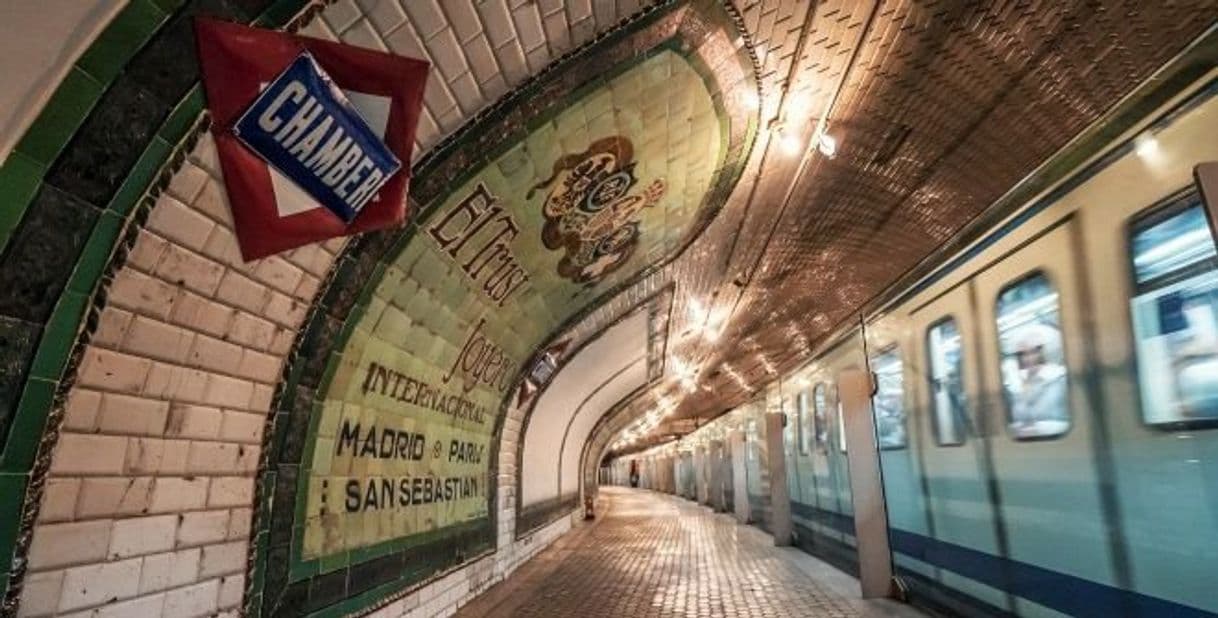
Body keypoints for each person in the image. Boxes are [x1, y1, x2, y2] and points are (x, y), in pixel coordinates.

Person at [1009, 323, 1069, 437]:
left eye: (1034, 352)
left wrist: (1040, 429)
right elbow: (1018, 418)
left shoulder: (1061, 378)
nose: (1028, 358)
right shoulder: (1018, 385)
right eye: (1022, 354)